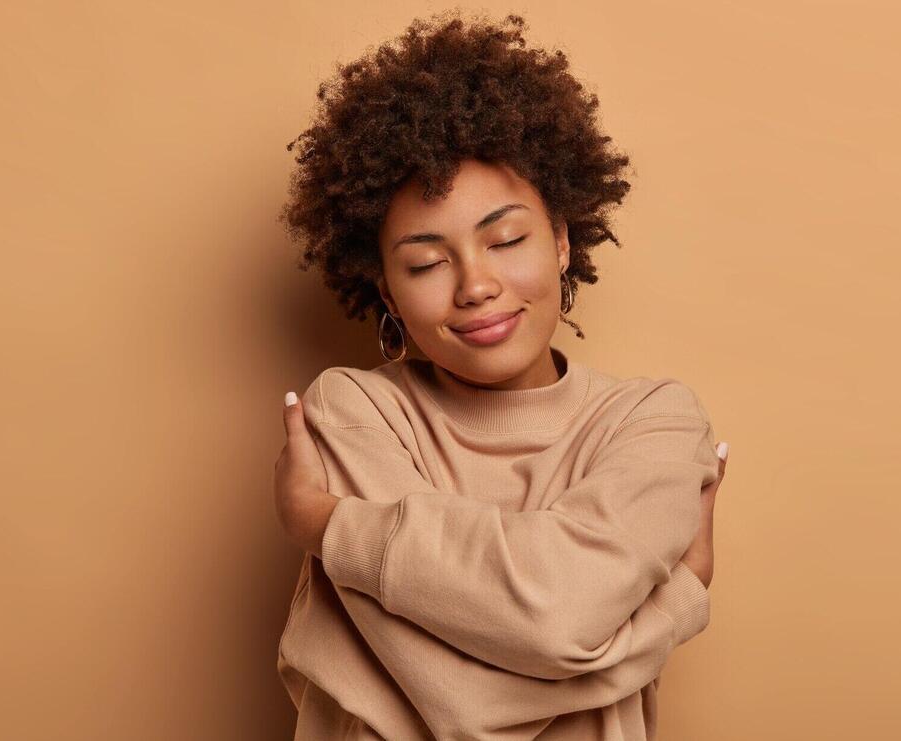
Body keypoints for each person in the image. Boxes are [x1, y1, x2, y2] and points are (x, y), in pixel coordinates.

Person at [272, 10, 730, 740]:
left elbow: (555, 617)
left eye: (507, 238)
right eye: (426, 262)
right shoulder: (353, 410)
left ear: (559, 240)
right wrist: (676, 599)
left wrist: (333, 525)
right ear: (387, 290)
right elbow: (461, 702)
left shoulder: (656, 421)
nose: (475, 284)